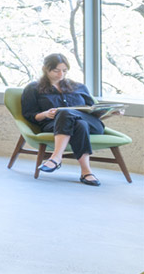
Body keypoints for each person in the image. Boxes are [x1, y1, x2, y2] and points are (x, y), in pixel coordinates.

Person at [23, 53, 119, 186]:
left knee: (67, 113)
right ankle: (86, 171)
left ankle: (56, 157)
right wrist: (45, 114)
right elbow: (29, 114)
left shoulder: (79, 87)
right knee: (79, 124)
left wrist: (111, 113)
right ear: (45, 69)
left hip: (93, 126)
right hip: (53, 125)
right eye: (56, 70)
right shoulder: (33, 88)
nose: (60, 74)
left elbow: (93, 112)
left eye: (64, 70)